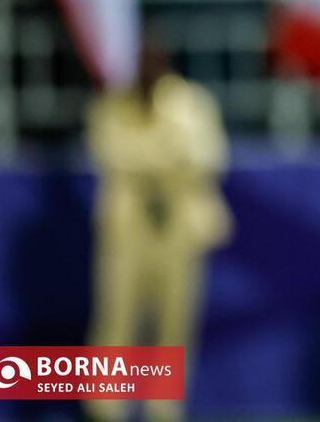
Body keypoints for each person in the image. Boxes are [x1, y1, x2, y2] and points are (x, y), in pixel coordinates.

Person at [84, 37, 232, 422]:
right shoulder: (112, 105)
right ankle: (106, 408)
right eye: (142, 61)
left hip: (178, 225)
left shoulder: (190, 103)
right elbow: (110, 154)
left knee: (174, 320)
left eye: (154, 60)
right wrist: (166, 157)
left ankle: (163, 409)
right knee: (116, 316)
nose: (148, 68)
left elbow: (209, 156)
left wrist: (153, 156)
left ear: (166, 63)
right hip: (126, 226)